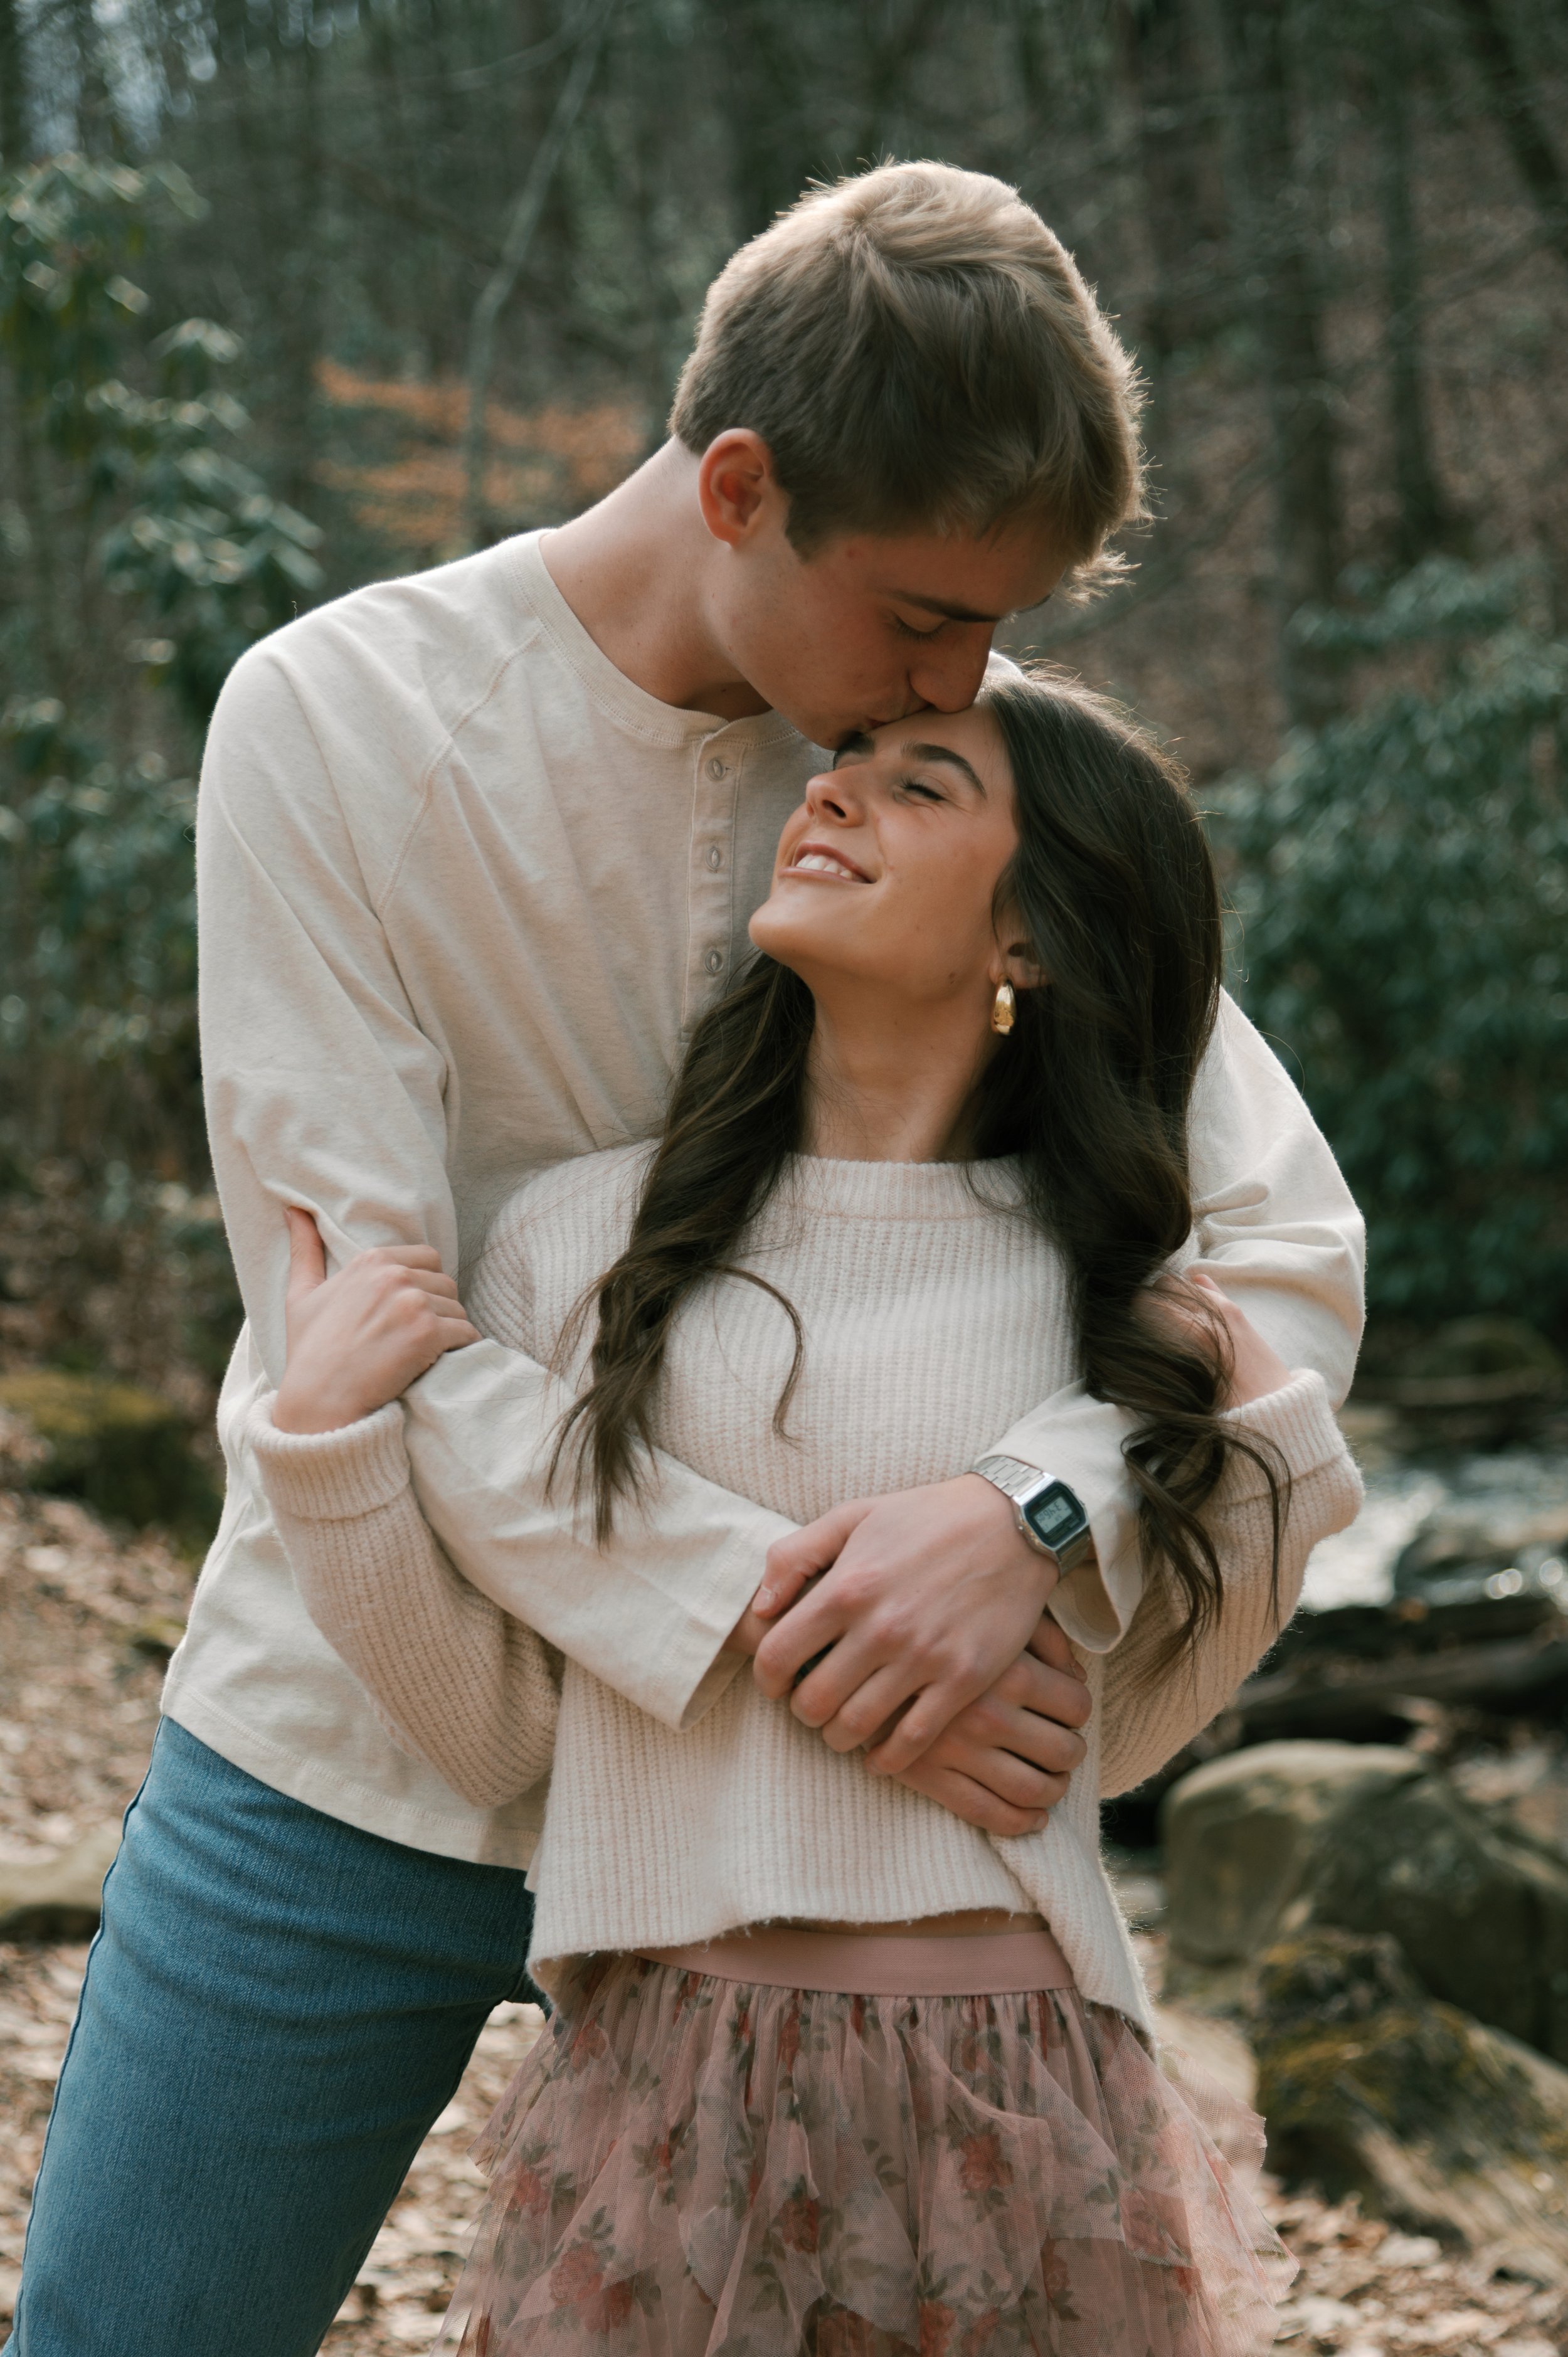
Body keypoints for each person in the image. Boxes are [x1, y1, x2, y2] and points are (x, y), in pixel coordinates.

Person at [7, 164, 1362, 2357]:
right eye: (928, 618)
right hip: (372, 1725)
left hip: (843, 1852)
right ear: (740, 487)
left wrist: (1031, 1509)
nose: (969, 677)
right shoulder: (334, 720)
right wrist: (794, 1613)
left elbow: (1271, 1254)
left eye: (998, 637)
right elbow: (360, 1314)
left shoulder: (944, 786)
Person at [257, 670, 1364, 2356]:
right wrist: (328, 1452)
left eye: (921, 788)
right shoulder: (582, 1251)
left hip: (1025, 2088)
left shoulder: (1124, 1302)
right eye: (840, 764)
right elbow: (498, 1736)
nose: (832, 793)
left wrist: (1228, 1445)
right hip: (665, 2093)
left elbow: (1128, 1731)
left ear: (1033, 942)